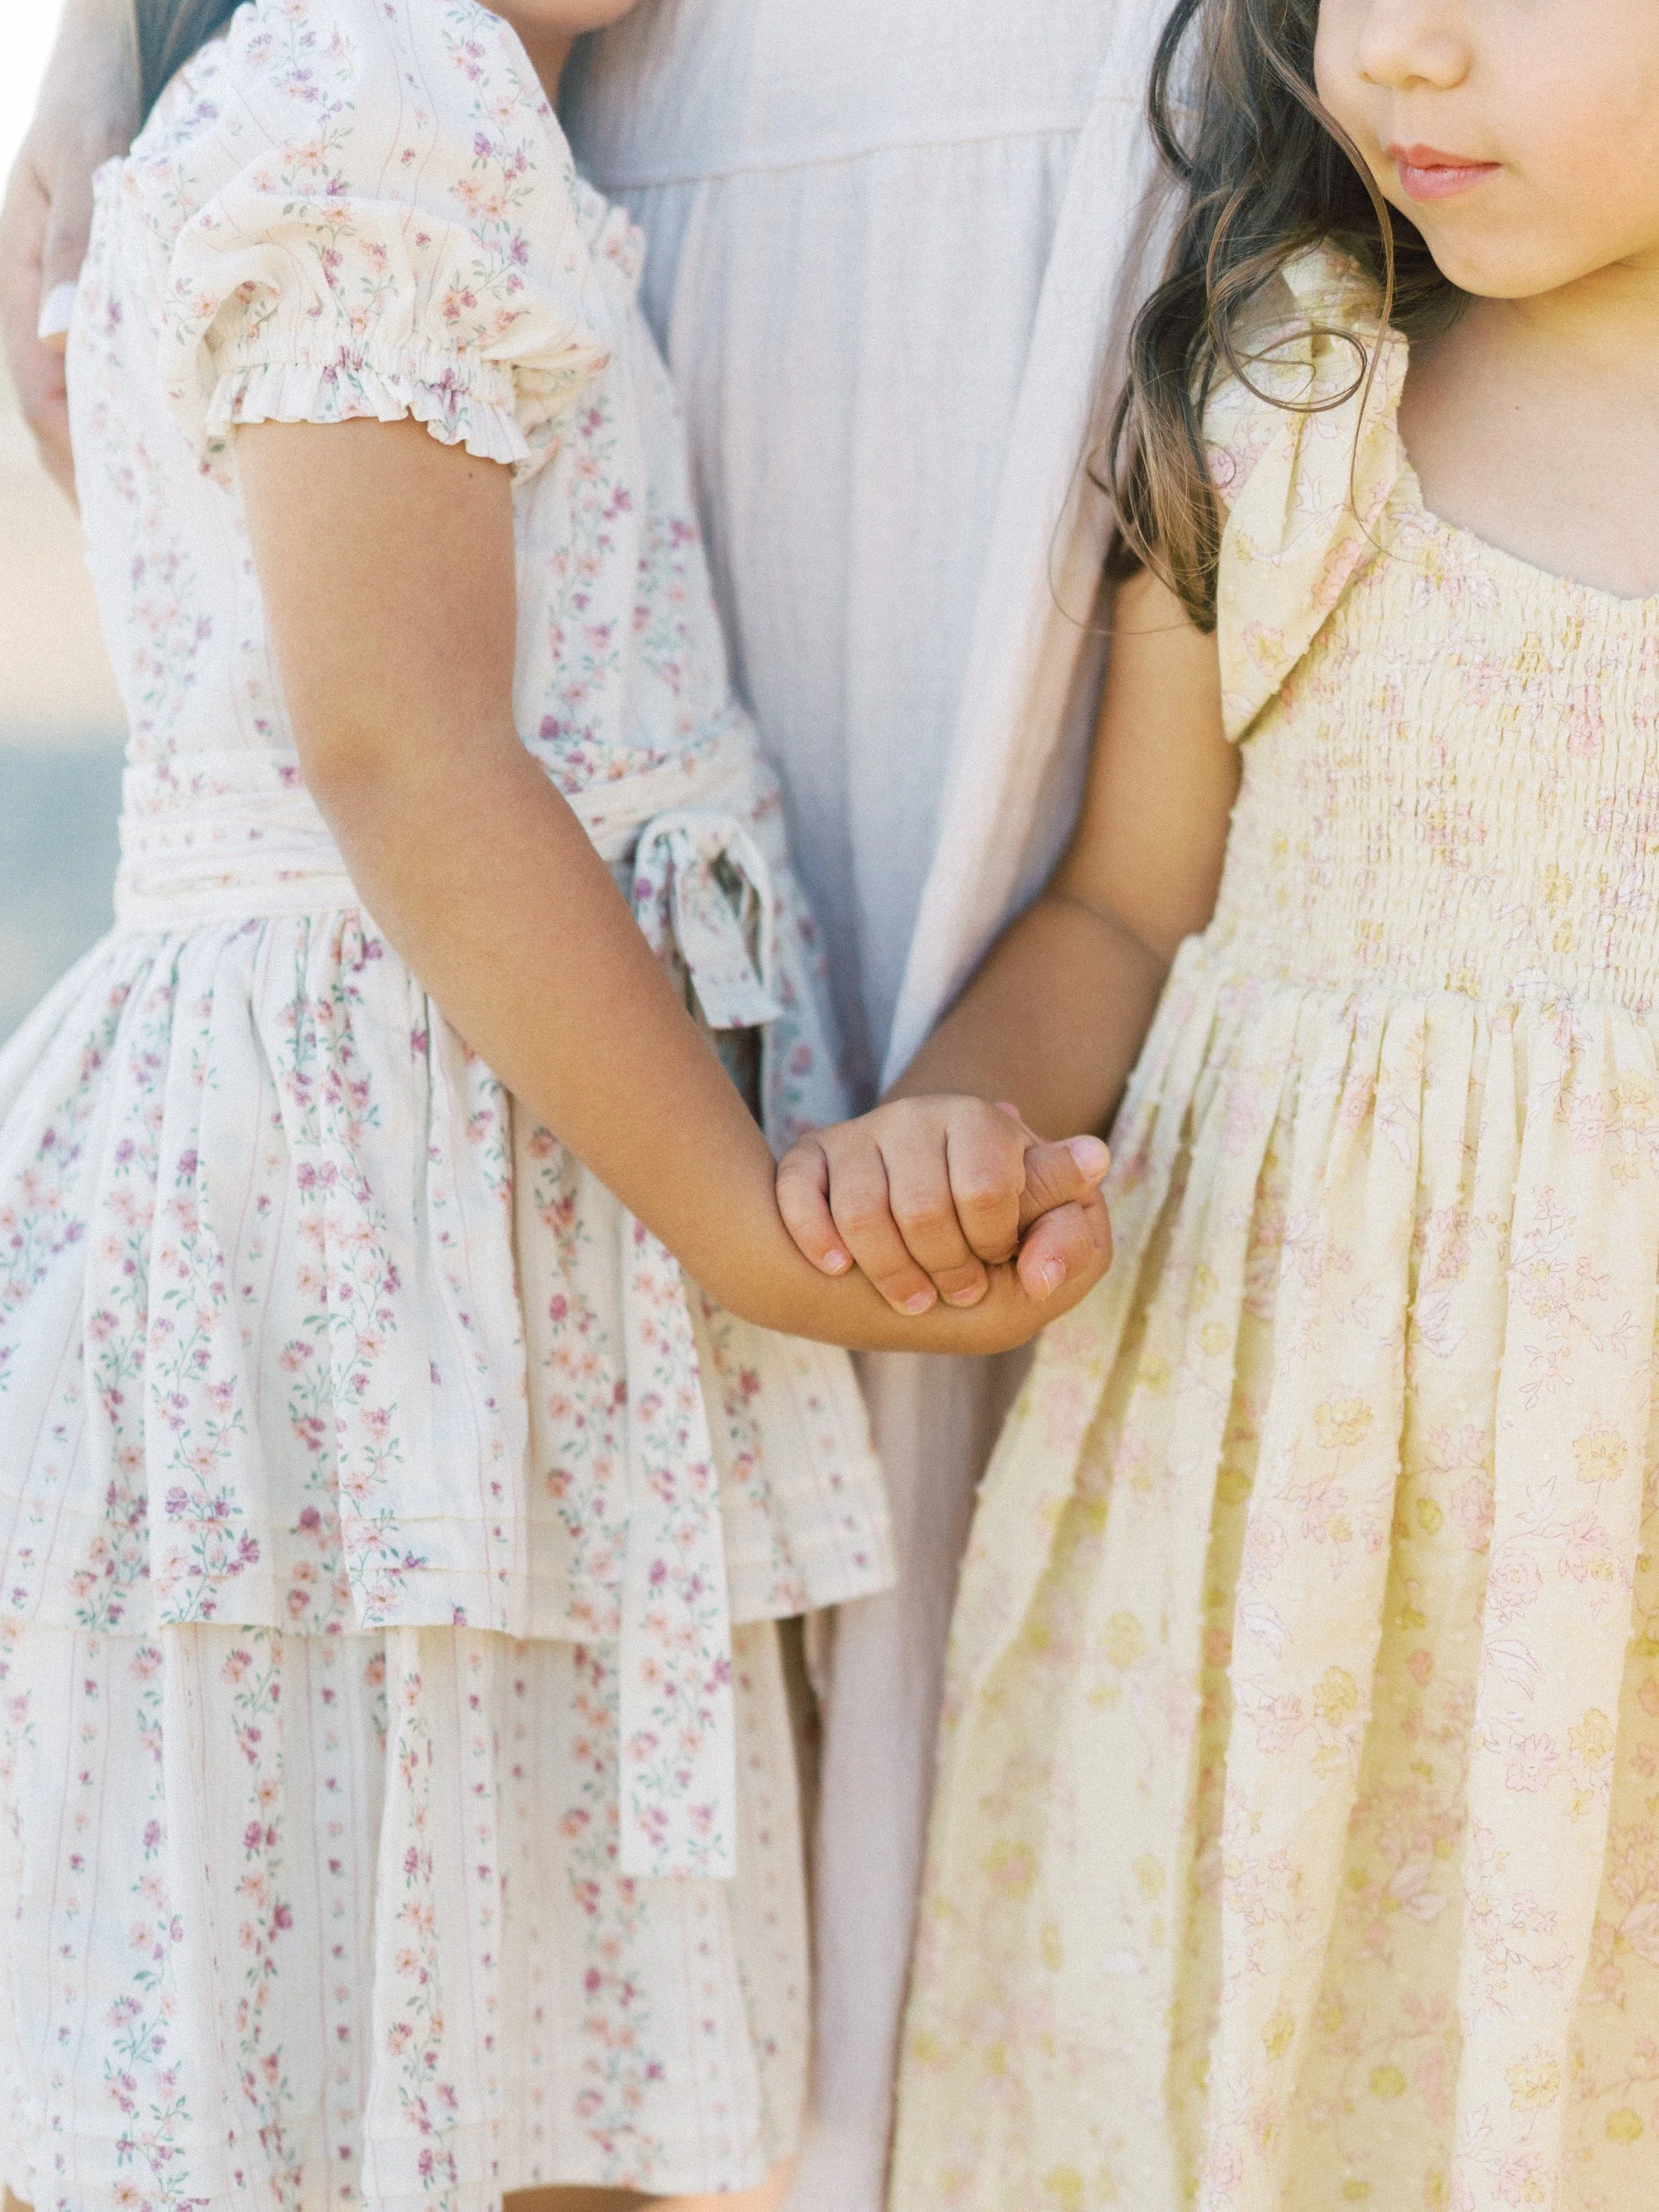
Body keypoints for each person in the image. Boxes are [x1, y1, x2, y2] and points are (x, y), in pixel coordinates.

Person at [2, 4, 1169, 2201]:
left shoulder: (418, 101)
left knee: (466, 2013)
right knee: (401, 2013)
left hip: (488, 1195)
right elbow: (400, 744)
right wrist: (735, 1216)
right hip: (405, 1216)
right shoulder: (379, 98)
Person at [775, 0, 1659, 2201]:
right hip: (1285, 1550)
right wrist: (953, 1124)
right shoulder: (1292, 398)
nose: (1403, 56)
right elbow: (1121, 907)